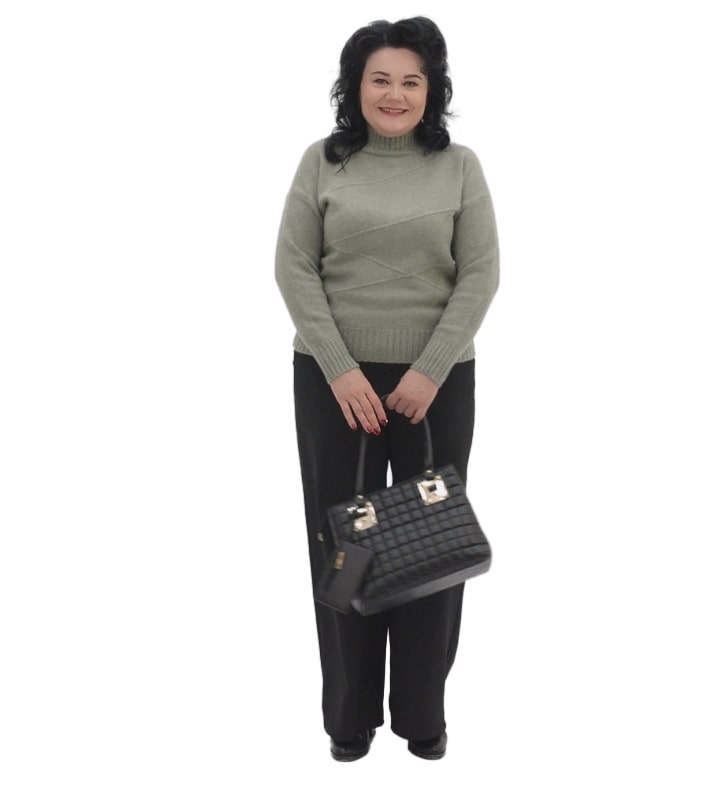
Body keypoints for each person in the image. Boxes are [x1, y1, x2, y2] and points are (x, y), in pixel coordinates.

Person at [275, 16, 499, 762]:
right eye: (380, 79)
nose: (394, 94)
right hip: (332, 379)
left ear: (431, 91)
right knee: (344, 546)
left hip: (437, 381)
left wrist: (429, 369)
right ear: (355, 87)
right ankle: (349, 719)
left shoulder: (459, 166)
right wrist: (339, 367)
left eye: (411, 81)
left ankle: (422, 716)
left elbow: (480, 273)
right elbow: (294, 267)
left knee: (431, 544)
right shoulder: (322, 162)